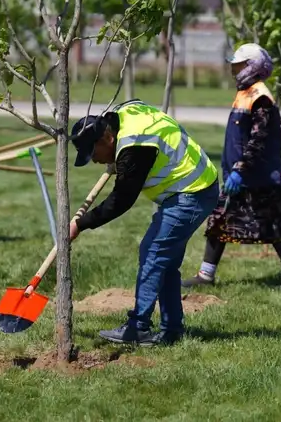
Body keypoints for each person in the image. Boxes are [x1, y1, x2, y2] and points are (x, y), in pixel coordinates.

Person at [69, 99, 220, 346]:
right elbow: (137, 102)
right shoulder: (122, 113)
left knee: (152, 252)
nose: (95, 162)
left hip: (191, 191)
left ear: (107, 139)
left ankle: (138, 326)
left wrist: (81, 224)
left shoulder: (135, 146)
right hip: (190, 187)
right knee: (165, 262)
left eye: (93, 154)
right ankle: (172, 330)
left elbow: (121, 200)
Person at [182, 43, 281, 288]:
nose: (233, 69)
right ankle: (206, 275)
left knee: (274, 228)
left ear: (251, 67)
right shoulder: (245, 93)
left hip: (258, 178)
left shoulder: (261, 98)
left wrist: (239, 169)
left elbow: (259, 140)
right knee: (218, 222)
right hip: (239, 176)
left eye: (237, 65)